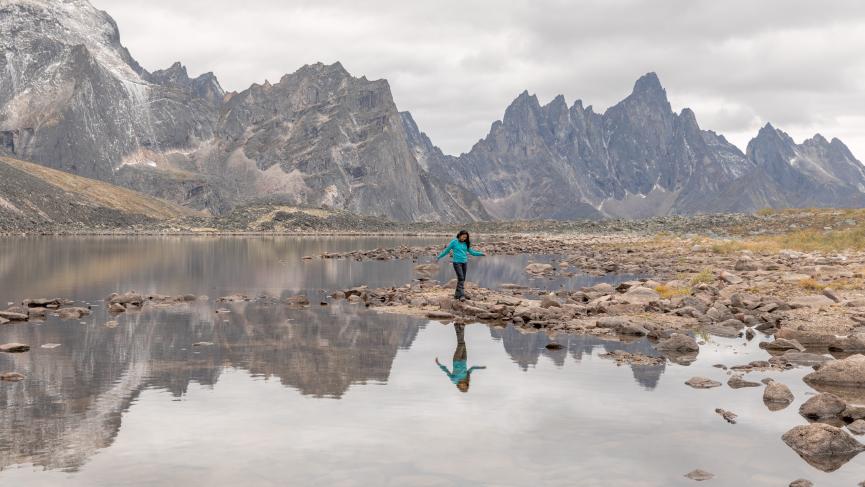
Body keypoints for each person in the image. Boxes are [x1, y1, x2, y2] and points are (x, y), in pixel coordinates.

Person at [435, 324, 486, 393]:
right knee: (463, 343)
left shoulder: (454, 380)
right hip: (464, 359)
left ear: (459, 387)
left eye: (463, 387)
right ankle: (460, 326)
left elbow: (446, 371)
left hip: (456, 360)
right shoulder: (466, 378)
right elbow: (472, 368)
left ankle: (458, 327)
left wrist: (439, 364)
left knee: (460, 344)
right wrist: (481, 368)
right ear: (467, 384)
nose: (463, 386)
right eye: (465, 386)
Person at [436, 230, 485, 300]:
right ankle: (462, 295)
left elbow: (472, 252)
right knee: (461, 278)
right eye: (463, 237)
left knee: (462, 279)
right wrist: (439, 257)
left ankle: (457, 295)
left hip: (464, 263)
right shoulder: (454, 242)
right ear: (459, 235)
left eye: (465, 238)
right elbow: (446, 251)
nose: (464, 239)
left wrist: (481, 254)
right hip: (457, 263)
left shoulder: (466, 243)